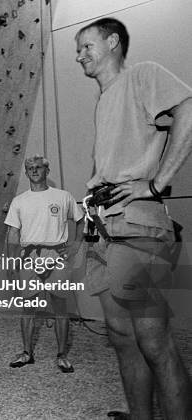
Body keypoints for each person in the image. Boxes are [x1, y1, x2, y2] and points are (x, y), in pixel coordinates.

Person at [75, 17, 192, 419]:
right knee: (122, 337)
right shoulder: (104, 98)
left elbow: (189, 109)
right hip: (104, 227)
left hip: (139, 223)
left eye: (86, 46)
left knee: (152, 339)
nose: (79, 57)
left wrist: (157, 183)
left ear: (112, 43)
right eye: (77, 50)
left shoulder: (142, 75)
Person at [4, 155, 84, 373]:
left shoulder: (63, 196)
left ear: (46, 171)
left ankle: (62, 355)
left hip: (56, 256)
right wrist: (11, 259)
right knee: (27, 308)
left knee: (60, 308)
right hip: (29, 257)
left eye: (38, 167)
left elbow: (80, 219)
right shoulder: (19, 201)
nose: (34, 170)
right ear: (27, 172)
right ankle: (27, 352)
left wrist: (75, 245)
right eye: (30, 168)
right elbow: (13, 231)